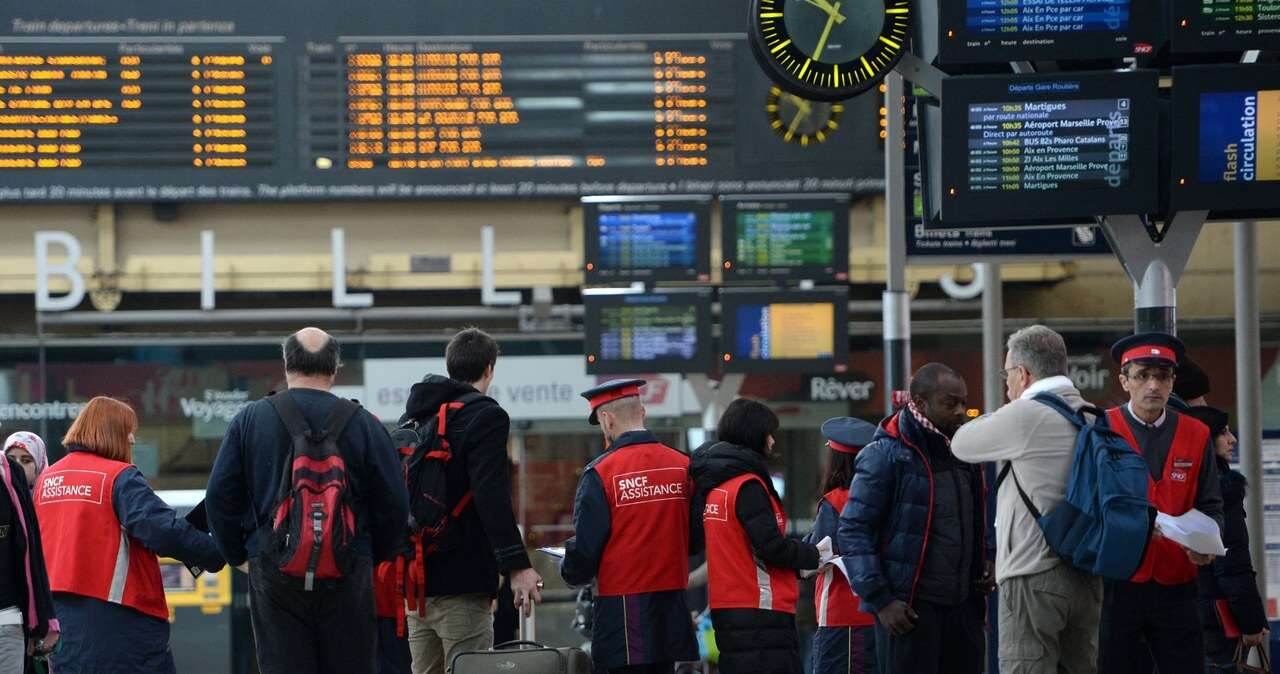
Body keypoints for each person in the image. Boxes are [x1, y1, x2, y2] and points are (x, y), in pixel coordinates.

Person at [206, 328, 409, 674]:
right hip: (349, 569)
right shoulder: (364, 424)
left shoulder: (251, 419)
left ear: (286, 365)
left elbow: (219, 498)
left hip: (273, 569)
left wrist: (240, 555)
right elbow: (394, 504)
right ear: (334, 368)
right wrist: (371, 555)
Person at [950, 325, 1101, 674]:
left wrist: (1008, 409)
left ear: (1023, 373)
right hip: (1088, 574)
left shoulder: (1025, 415)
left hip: (1033, 573)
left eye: (1007, 374)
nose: (1006, 384)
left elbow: (962, 444)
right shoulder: (1091, 414)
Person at [35, 396, 225, 673]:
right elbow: (162, 531)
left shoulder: (47, 480)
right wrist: (216, 552)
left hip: (60, 620)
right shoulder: (118, 476)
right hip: (118, 624)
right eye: (128, 431)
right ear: (111, 432)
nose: (133, 440)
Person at [397, 327, 541, 674]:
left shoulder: (416, 418)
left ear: (451, 366)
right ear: (489, 368)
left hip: (417, 585)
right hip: (463, 584)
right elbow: (491, 494)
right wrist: (517, 565)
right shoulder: (487, 416)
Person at [837, 363, 991, 674]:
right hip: (909, 611)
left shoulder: (964, 452)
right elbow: (854, 528)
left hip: (962, 607)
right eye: (950, 403)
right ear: (919, 403)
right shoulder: (886, 453)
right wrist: (880, 600)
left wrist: (987, 556)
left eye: (963, 402)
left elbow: (976, 518)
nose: (961, 411)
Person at [1097, 332, 1224, 674]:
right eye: (1142, 375)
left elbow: (1212, 503)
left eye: (1162, 376)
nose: (1153, 385)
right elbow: (1089, 504)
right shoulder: (1101, 429)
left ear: (1173, 382)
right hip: (1119, 582)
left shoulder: (1196, 434)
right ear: (1124, 381)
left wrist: (1209, 542)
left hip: (1178, 582)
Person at [560, 379, 698, 674]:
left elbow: (585, 550)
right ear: (643, 411)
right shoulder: (682, 465)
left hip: (622, 613)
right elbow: (696, 539)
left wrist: (569, 570)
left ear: (607, 419)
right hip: (672, 606)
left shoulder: (601, 472)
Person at [690, 398, 824, 674]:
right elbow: (771, 548)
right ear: (753, 434)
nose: (773, 441)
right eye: (769, 433)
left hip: (728, 609)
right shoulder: (748, 488)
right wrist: (816, 556)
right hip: (762, 612)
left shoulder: (716, 488)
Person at [1183, 405, 1269, 670]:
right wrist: (1252, 622)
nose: (1232, 440)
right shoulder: (1222, 489)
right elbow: (1232, 564)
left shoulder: (1180, 485)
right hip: (1217, 623)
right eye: (1223, 433)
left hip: (1179, 616)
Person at [806, 417, 878, 674]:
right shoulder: (883, 496)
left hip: (842, 614)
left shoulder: (835, 501)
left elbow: (816, 555)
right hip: (879, 613)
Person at [0, 443, 58, 673]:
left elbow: (28, 554)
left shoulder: (9, 475)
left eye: (28, 460)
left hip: (6, 620)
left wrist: (43, 620)